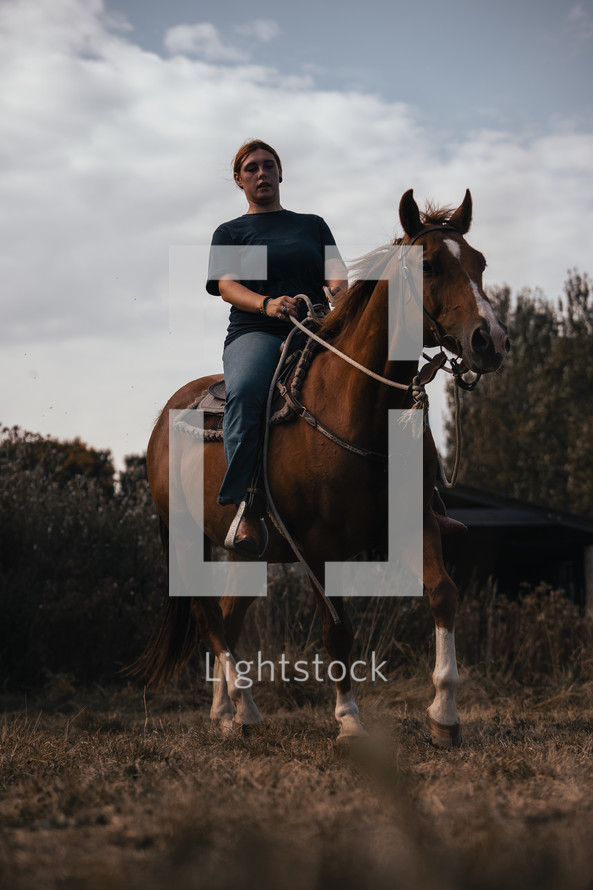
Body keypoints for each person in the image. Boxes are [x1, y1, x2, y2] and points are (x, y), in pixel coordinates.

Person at [206, 139, 347, 557]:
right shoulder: (233, 232)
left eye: (269, 166)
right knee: (247, 388)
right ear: (238, 180)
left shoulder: (311, 225)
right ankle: (247, 505)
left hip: (317, 329)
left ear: (281, 173)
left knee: (386, 374)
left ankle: (424, 503)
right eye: (251, 169)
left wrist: (340, 295)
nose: (261, 173)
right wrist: (268, 305)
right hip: (258, 331)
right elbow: (229, 287)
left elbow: (336, 274)